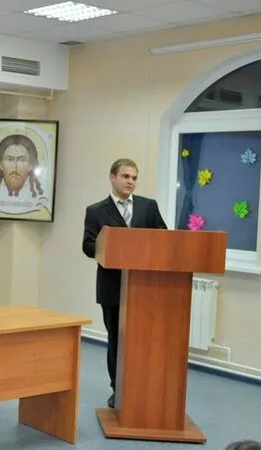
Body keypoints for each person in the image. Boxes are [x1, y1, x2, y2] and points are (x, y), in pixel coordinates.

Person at [82, 158, 167, 409]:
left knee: (143, 340)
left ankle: (142, 387)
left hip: (144, 287)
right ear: (113, 177)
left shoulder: (148, 207)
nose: (130, 181)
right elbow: (88, 246)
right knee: (117, 340)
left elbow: (163, 237)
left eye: (134, 177)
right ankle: (117, 389)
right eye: (125, 176)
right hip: (112, 287)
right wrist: (111, 245)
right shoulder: (96, 211)